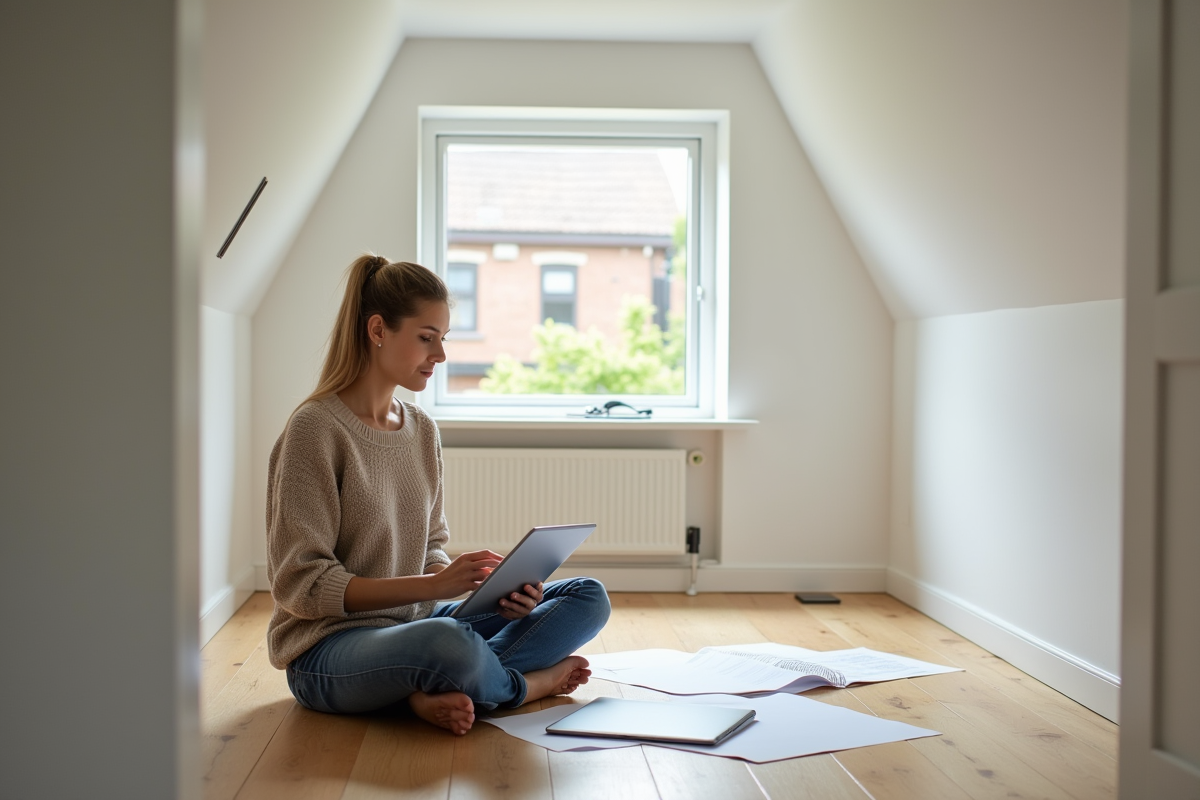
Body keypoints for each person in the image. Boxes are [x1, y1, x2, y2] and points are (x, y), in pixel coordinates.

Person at [265, 254, 611, 735]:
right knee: (448, 643)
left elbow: (428, 547)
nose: (441, 356)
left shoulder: (422, 429)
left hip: (416, 622)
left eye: (443, 339)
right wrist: (432, 588)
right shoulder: (314, 431)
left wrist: (487, 590)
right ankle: (522, 686)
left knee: (587, 597)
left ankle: (428, 690)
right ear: (378, 329)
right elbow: (300, 585)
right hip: (328, 648)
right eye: (427, 338)